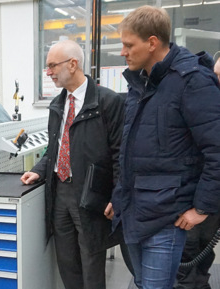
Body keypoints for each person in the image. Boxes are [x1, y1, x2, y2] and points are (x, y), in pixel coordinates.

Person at [108, 6, 220, 289]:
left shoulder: (193, 81)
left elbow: (217, 149)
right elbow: (132, 151)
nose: (123, 52)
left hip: (168, 217)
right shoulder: (140, 83)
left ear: (152, 42)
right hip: (135, 211)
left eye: (128, 45)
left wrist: (203, 208)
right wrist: (119, 196)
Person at [20, 39, 126, 289]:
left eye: (52, 66)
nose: (48, 72)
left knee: (91, 262)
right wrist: (38, 172)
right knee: (67, 263)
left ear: (73, 64)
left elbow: (120, 154)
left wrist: (118, 195)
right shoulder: (58, 105)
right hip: (60, 193)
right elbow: (54, 150)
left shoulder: (108, 102)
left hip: (91, 194)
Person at [173, 56, 220, 289]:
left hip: (211, 202)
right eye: (217, 76)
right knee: (187, 256)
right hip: (190, 197)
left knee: (204, 254)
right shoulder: (198, 100)